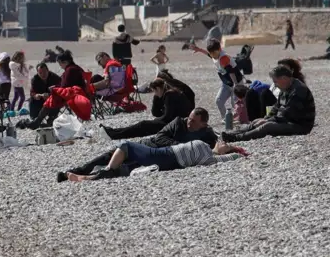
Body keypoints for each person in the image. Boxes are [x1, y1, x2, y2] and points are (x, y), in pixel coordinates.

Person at [57, 108, 218, 182]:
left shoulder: (207, 134)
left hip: (157, 158)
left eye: (193, 121)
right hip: (149, 146)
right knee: (109, 156)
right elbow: (160, 136)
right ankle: (79, 170)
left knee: (123, 168)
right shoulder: (178, 122)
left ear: (203, 124)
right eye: (189, 118)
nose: (189, 122)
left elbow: (215, 146)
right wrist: (179, 146)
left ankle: (89, 177)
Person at [65, 140, 245, 182]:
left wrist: (238, 152)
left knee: (127, 146)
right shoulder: (207, 149)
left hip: (166, 156)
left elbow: (233, 157)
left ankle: (107, 170)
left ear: (225, 152)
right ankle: (87, 178)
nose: (222, 142)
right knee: (127, 167)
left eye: (226, 145)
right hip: (167, 159)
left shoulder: (210, 158)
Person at [222, 65, 315, 142]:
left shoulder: (298, 90)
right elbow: (276, 106)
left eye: (275, 82)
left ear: (284, 78)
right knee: (257, 122)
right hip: (289, 120)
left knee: (267, 126)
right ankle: (233, 133)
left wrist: (268, 121)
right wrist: (266, 118)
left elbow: (289, 114)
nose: (275, 85)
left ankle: (237, 138)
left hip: (300, 125)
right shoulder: (286, 88)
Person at [101, 78, 194, 139]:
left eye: (154, 91)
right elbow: (156, 113)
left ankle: (114, 134)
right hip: (175, 122)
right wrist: (156, 98)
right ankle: (114, 132)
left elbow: (167, 117)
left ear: (158, 88)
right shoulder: (169, 93)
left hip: (176, 125)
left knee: (143, 125)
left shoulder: (170, 95)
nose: (154, 93)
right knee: (143, 125)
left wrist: (155, 120)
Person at [27, 52, 87, 127]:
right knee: (34, 100)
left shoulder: (70, 70)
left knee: (54, 99)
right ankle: (36, 119)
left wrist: (52, 91)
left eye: (60, 63)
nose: (60, 66)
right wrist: (37, 95)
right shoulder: (35, 79)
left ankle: (43, 120)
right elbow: (32, 92)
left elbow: (65, 86)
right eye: (40, 73)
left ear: (65, 62)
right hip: (45, 98)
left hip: (73, 95)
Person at [190, 38, 242, 116]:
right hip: (227, 84)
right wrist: (199, 50)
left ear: (219, 49)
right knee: (219, 101)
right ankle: (225, 119)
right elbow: (208, 54)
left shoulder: (223, 58)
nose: (212, 55)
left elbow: (231, 73)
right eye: (211, 53)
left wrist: (236, 86)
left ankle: (240, 119)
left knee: (235, 104)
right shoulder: (214, 55)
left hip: (236, 83)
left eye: (214, 53)